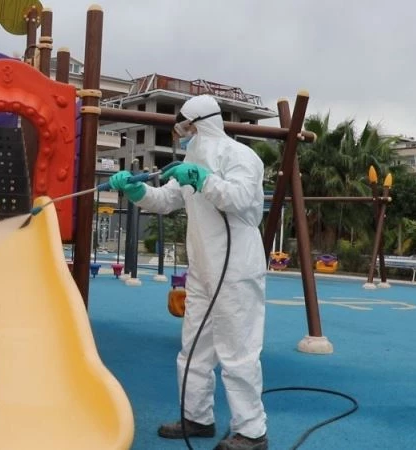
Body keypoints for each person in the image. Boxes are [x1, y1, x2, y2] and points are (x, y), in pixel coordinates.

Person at [109, 95, 269, 450]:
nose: (182, 136)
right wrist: (137, 190)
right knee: (194, 348)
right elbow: (165, 200)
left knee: (238, 352)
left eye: (185, 128)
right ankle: (196, 417)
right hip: (203, 270)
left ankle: (252, 432)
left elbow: (243, 200)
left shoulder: (241, 156)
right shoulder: (190, 162)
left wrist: (204, 180)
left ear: (201, 123)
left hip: (236, 269)